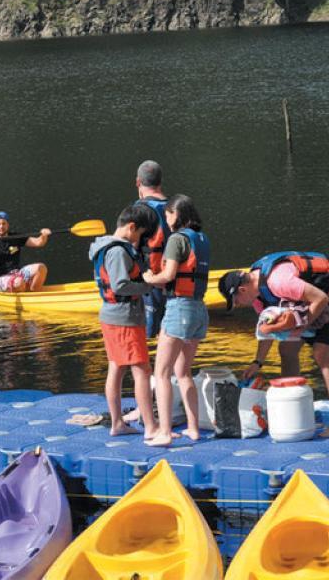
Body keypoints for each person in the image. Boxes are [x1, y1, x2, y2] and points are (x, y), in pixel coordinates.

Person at [219, 251, 329, 407]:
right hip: (308, 301)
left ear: (242, 290)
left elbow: (321, 298)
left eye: (237, 301)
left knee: (321, 353)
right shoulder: (258, 297)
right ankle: (291, 405)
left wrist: (301, 327)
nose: (239, 305)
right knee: (287, 349)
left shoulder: (278, 281)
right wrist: (257, 362)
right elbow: (268, 330)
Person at [142, 194, 210, 447]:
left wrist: (148, 277)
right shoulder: (202, 238)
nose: (166, 219)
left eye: (168, 214)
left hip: (179, 307)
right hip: (199, 310)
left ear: (176, 214)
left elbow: (168, 275)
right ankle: (193, 429)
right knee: (184, 373)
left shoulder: (177, 239)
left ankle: (165, 432)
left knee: (161, 373)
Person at [88, 203, 158, 438]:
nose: (139, 240)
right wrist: (147, 284)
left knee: (116, 368)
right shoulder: (117, 251)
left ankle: (117, 424)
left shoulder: (106, 246)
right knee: (141, 370)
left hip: (113, 316)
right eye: (139, 234)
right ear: (131, 227)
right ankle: (151, 427)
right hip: (124, 318)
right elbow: (119, 285)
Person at [0, 211, 51, 292]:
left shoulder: (16, 237)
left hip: (17, 273)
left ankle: (34, 292)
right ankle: (22, 288)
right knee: (19, 282)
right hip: (0, 279)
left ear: (8, 225)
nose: (1, 226)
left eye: (4, 223)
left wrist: (44, 235)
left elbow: (38, 243)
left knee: (41, 268)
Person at [135, 160, 170, 337]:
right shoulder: (176, 207)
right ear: (160, 182)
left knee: (150, 337)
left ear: (138, 182)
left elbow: (130, 247)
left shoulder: (140, 209)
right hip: (178, 282)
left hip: (151, 281)